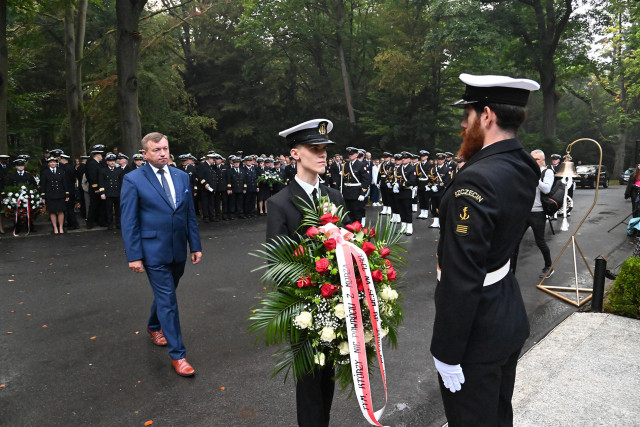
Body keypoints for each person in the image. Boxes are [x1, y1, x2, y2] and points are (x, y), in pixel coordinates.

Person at [430, 73, 540, 426]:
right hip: (506, 313)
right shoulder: (522, 163)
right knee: (496, 416)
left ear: (488, 115)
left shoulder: (477, 177)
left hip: (477, 332)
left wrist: (446, 351)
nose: (464, 125)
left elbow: (463, 274)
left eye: (468, 115)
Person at [266, 118, 351, 427]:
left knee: (327, 378)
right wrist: (310, 290)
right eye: (314, 149)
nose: (322, 155)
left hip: (335, 307)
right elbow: (276, 265)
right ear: (295, 154)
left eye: (325, 149)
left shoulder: (335, 197)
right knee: (309, 382)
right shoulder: (280, 203)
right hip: (304, 309)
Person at [120, 132, 202, 377]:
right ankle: (179, 355)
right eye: (156, 150)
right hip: (152, 251)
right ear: (144, 154)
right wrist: (134, 256)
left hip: (178, 250)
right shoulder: (133, 180)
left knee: (167, 292)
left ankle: (154, 325)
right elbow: (129, 220)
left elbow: (189, 214)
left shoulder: (181, 176)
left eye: (165, 148)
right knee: (168, 301)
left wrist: (195, 245)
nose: (163, 153)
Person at [517, 149, 555, 278]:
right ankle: (510, 269)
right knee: (515, 240)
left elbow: (547, 189)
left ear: (543, 160)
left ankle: (549, 266)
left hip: (538, 212)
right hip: (524, 211)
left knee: (540, 241)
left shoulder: (547, 172)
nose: (533, 161)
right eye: (531, 159)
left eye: (536, 159)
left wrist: (534, 178)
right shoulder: (526, 171)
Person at [40, 157, 70, 234]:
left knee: (61, 211)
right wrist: (43, 196)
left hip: (60, 194)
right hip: (50, 195)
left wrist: (67, 194)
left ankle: (61, 227)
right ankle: (55, 228)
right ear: (48, 164)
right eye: (51, 162)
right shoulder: (45, 172)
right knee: (52, 211)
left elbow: (65, 184)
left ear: (57, 163)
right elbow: (43, 185)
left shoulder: (61, 171)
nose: (53, 164)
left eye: (54, 162)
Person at [99, 153, 125, 230]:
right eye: (110, 161)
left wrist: (123, 192)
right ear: (107, 162)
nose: (112, 162)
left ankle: (118, 224)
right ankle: (110, 224)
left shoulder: (119, 170)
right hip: (108, 193)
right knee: (109, 210)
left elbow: (122, 182)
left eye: (113, 161)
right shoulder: (103, 171)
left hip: (117, 193)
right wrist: (102, 193)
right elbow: (101, 182)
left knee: (118, 210)